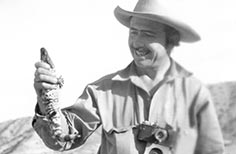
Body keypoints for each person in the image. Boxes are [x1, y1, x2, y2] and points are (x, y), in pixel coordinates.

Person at [32, 0, 225, 153]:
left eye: (148, 34)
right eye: (134, 33)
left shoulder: (194, 95)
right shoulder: (102, 91)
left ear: (170, 41)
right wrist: (47, 100)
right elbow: (61, 141)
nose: (137, 43)